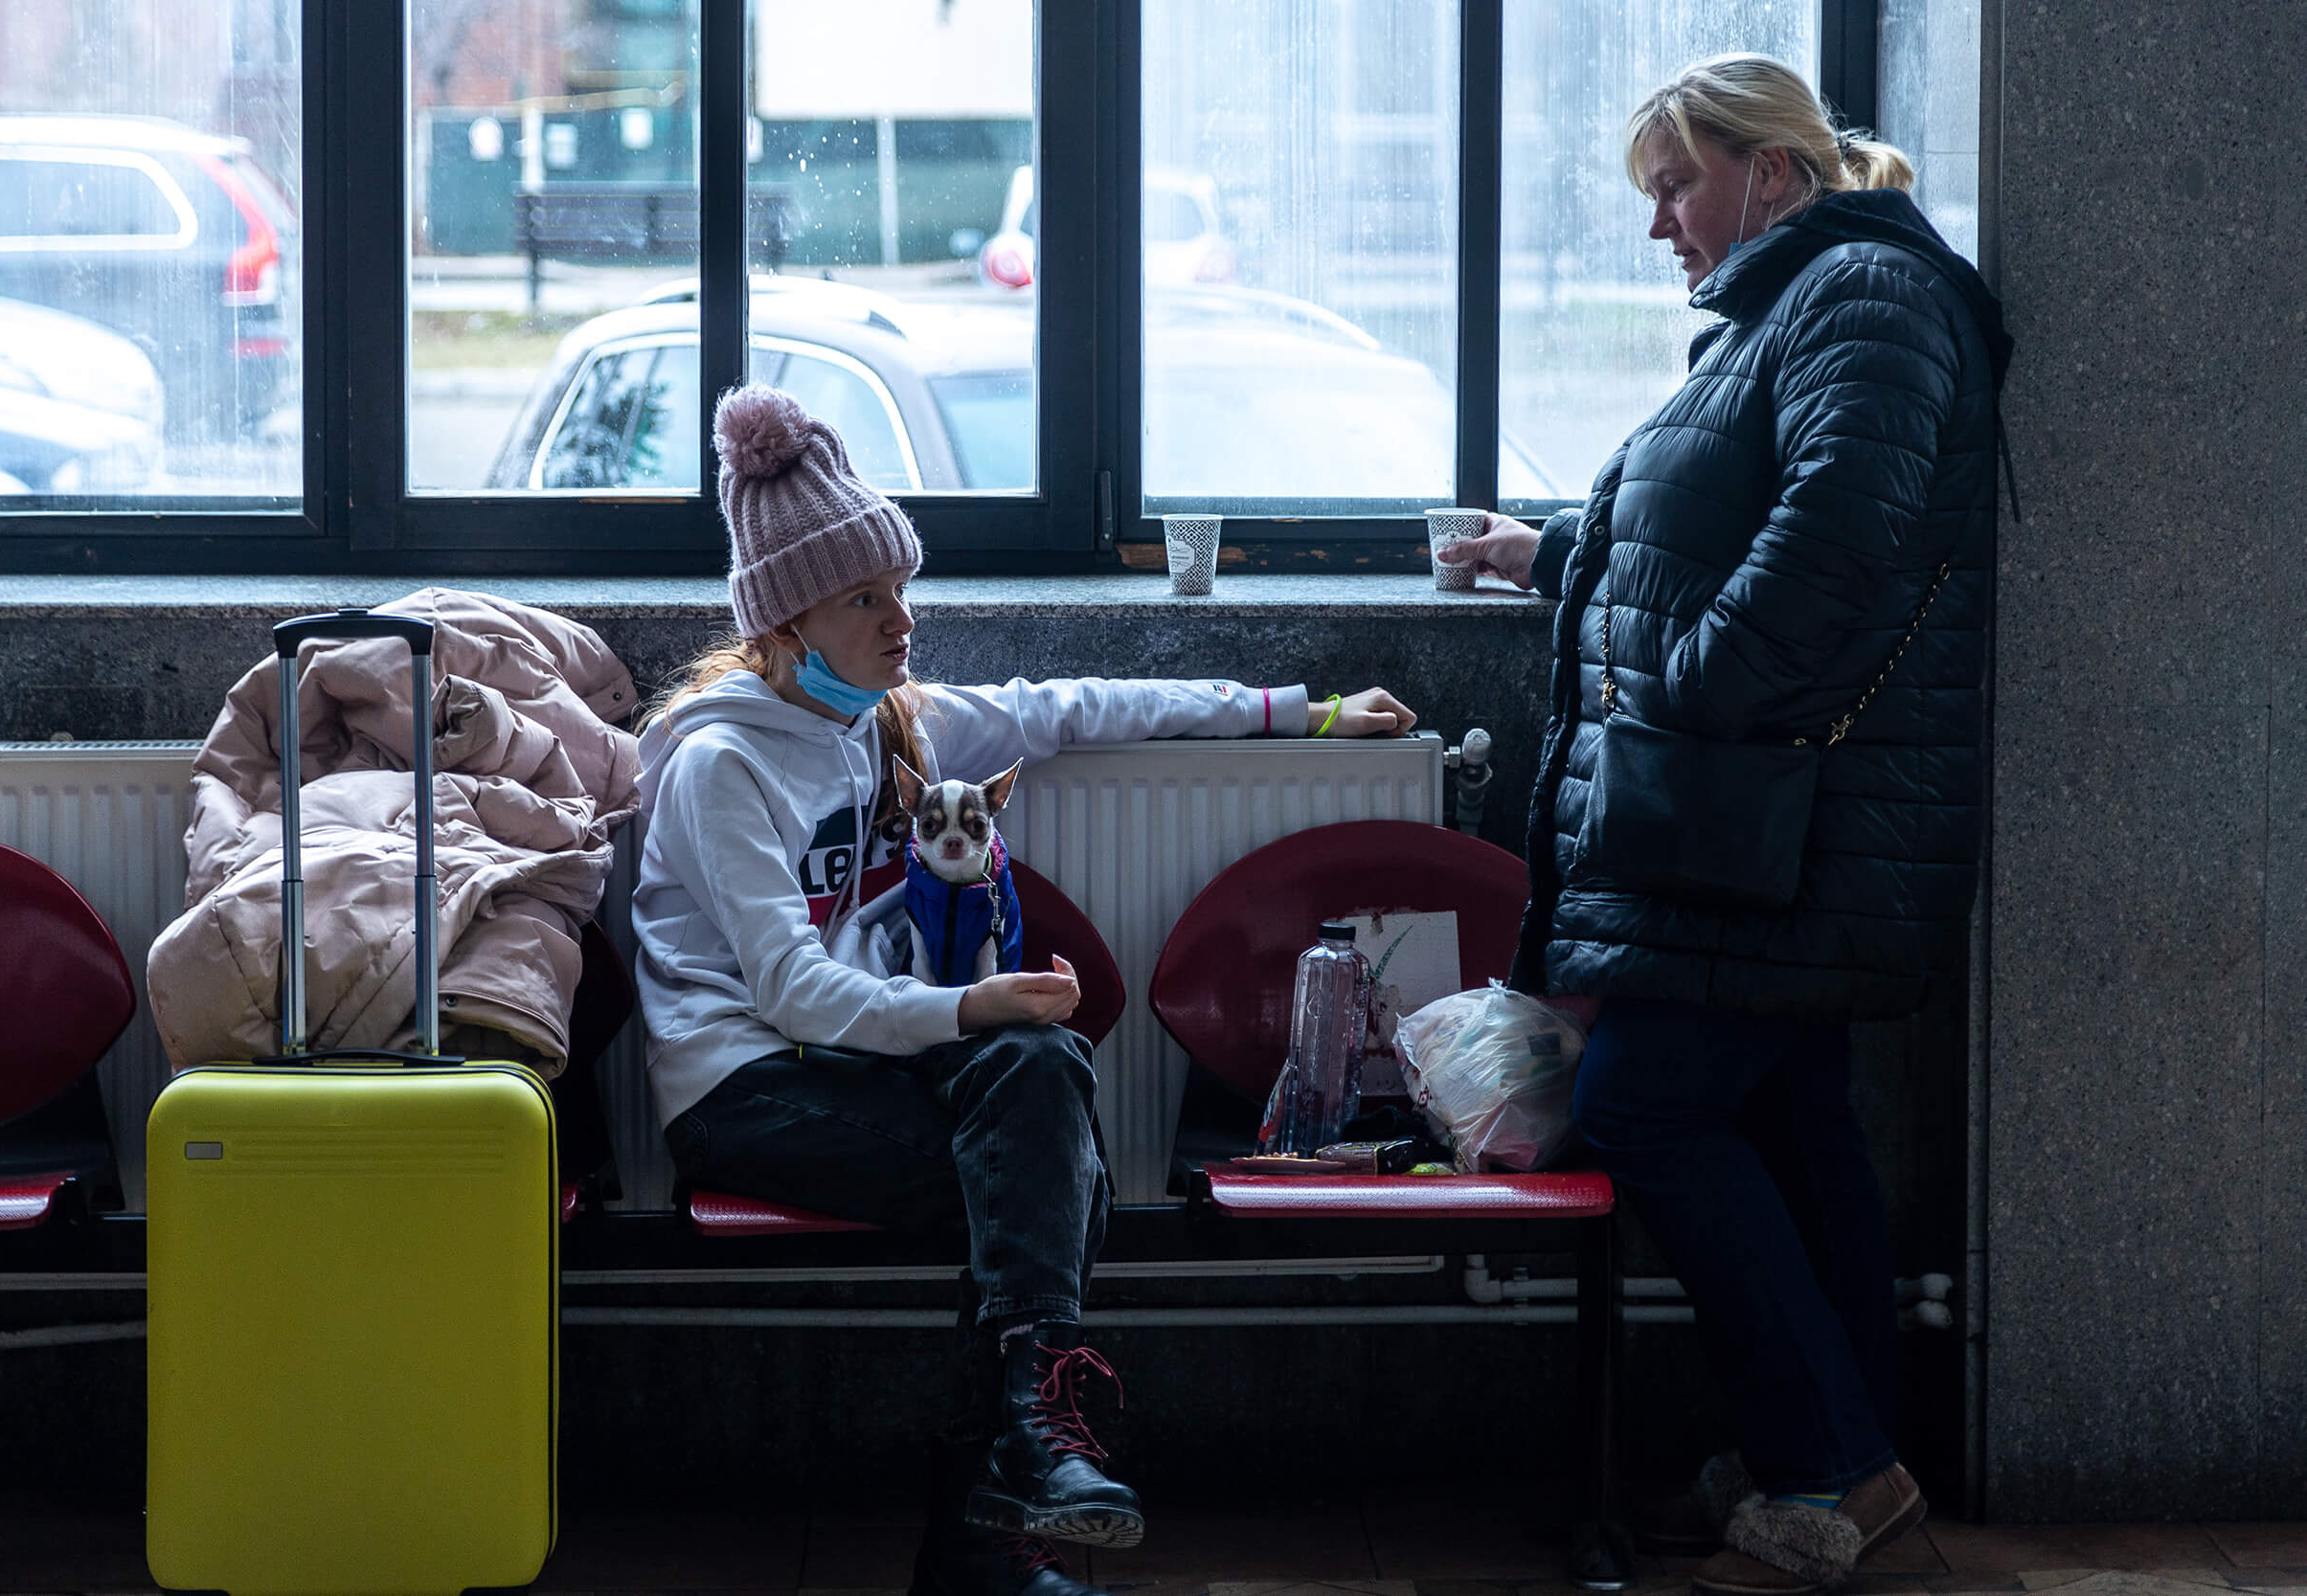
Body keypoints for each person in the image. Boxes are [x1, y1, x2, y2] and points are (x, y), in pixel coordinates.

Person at [631, 383, 1416, 1596]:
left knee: (1045, 1097)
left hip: (860, 1063)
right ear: (787, 624)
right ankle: (1002, 1517)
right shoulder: (722, 764)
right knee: (1057, 1176)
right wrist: (970, 1005)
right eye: (866, 597)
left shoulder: (892, 723)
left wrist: (1298, 711)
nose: (902, 618)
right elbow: (789, 993)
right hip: (743, 1086)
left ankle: (1022, 1458)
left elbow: (1070, 704)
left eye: (901, 586)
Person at [1438, 53, 2011, 1596]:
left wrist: (1690, 687)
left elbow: (1833, 532)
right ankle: (1842, 1460)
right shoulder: (1800, 306)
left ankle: (1825, 1469)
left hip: (1778, 824)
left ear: (1771, 172)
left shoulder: (1867, 300)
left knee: (1649, 1105)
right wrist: (1548, 554)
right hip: (1779, 827)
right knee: (1788, 1111)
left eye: (1673, 187)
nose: (1659, 229)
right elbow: (1687, 535)